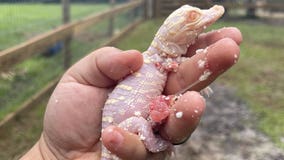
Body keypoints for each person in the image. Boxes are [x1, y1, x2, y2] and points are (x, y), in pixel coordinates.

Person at [21, 27, 242, 160]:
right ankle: (154, 142)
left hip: (117, 126)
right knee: (142, 125)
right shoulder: (155, 59)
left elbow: (175, 65)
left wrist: (49, 154)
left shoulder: (160, 59)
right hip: (121, 126)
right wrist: (50, 153)